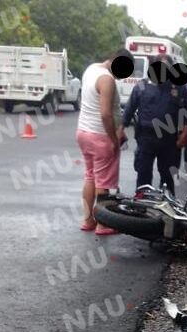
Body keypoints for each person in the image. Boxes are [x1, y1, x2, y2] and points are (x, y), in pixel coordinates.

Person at [76, 49, 129, 235]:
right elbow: (106, 114)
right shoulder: (107, 79)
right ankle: (103, 223)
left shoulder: (91, 69)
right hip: (100, 135)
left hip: (83, 132)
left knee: (90, 176)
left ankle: (88, 220)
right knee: (103, 182)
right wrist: (114, 139)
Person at [122, 55, 187, 196]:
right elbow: (129, 109)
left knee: (167, 175)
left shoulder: (179, 87)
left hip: (169, 139)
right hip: (146, 137)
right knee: (143, 173)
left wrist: (185, 133)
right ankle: (141, 205)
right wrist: (120, 129)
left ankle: (168, 204)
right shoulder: (141, 86)